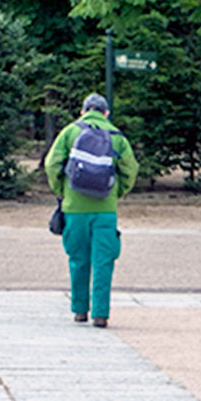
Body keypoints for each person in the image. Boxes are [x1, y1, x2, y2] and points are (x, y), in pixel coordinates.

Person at [44, 92, 139, 328]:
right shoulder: (117, 136)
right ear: (106, 113)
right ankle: (101, 314)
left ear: (83, 111)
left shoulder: (70, 132)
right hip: (105, 208)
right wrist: (118, 192)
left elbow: (51, 163)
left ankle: (79, 310)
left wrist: (61, 190)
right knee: (103, 260)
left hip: (74, 207)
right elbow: (130, 168)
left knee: (78, 258)